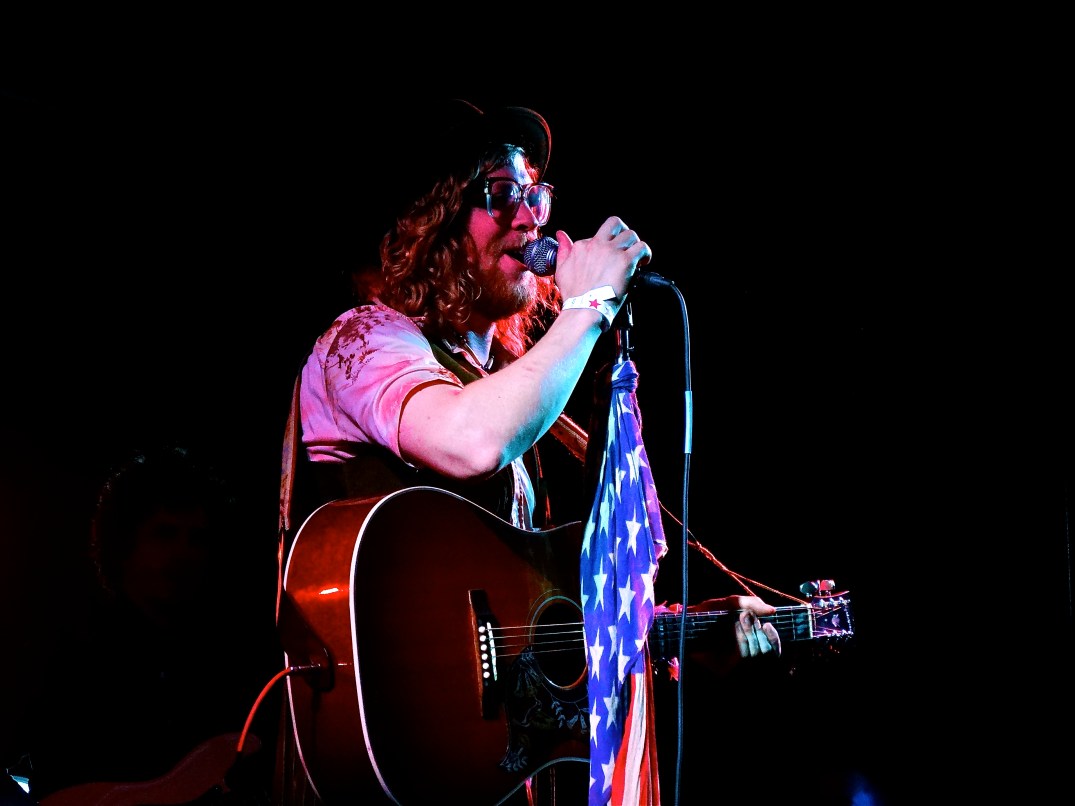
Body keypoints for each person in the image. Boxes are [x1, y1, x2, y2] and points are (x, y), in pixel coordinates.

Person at [275, 99, 781, 806]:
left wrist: (684, 638)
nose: (530, 215)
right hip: (373, 760)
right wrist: (590, 307)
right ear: (434, 220)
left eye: (535, 193)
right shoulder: (365, 339)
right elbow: (468, 441)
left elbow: (534, 623)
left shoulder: (513, 400)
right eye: (501, 194)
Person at [2, 445, 282, 805]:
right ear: (124, 545)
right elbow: (14, 771)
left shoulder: (225, 659)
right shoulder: (67, 656)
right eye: (164, 534)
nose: (183, 553)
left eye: (196, 538)